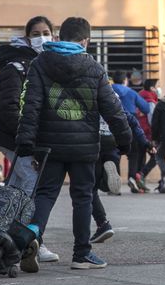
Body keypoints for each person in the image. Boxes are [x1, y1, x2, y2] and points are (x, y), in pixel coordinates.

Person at [16, 17, 132, 271]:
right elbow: (113, 109)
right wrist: (125, 141)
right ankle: (82, 254)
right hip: (84, 146)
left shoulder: (40, 64)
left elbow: (31, 106)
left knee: (46, 194)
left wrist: (26, 142)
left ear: (58, 37)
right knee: (82, 197)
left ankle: (31, 237)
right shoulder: (93, 67)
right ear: (85, 41)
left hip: (49, 145)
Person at [0, 15, 61, 263]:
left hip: (31, 142)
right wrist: (28, 145)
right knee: (32, 190)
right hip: (17, 141)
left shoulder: (47, 64)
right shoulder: (16, 66)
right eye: (36, 33)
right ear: (27, 37)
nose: (41, 37)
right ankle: (33, 243)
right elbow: (10, 110)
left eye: (46, 32)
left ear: (54, 36)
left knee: (21, 193)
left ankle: (11, 242)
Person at [111, 70, 151, 193]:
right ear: (125, 81)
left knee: (114, 154)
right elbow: (146, 108)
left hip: (111, 123)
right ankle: (132, 178)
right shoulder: (131, 92)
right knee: (133, 153)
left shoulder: (107, 90)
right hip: (130, 123)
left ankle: (114, 184)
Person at [138, 78, 159, 184]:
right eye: (156, 87)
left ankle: (139, 180)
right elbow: (152, 120)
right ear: (151, 88)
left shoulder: (140, 96)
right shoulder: (150, 101)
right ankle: (141, 175)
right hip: (148, 133)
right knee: (156, 157)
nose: (157, 89)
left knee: (141, 157)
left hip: (139, 132)